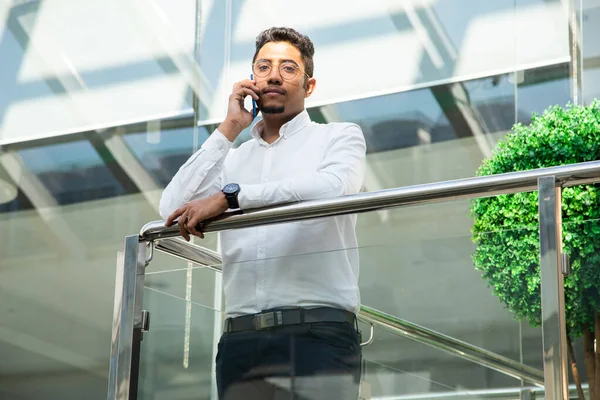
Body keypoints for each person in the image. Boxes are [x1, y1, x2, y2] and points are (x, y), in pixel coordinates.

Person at [159, 27, 366, 400]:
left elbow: (334, 187)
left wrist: (230, 199)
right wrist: (229, 128)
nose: (273, 75)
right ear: (252, 79)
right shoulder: (232, 159)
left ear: (309, 85)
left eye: (288, 68)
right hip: (241, 340)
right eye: (263, 66)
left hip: (319, 333)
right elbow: (170, 208)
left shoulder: (338, 137)